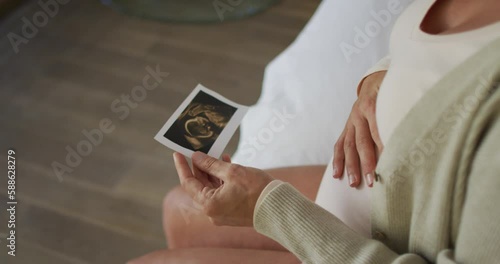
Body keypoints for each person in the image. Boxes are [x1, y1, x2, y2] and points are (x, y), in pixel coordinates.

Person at [130, 0, 500, 263]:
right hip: (368, 193)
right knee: (179, 208)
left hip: (385, 247)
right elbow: (432, 54)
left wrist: (268, 207)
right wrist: (377, 78)